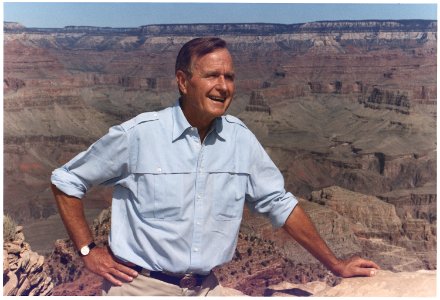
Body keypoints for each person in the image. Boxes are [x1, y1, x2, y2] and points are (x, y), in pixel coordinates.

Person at [51, 37, 379, 296]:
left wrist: (335, 265)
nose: (223, 86)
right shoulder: (139, 135)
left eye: (229, 77)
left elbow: (280, 205)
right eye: (211, 76)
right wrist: (87, 250)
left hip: (206, 287)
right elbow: (66, 181)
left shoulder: (240, 140)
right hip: (140, 289)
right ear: (183, 81)